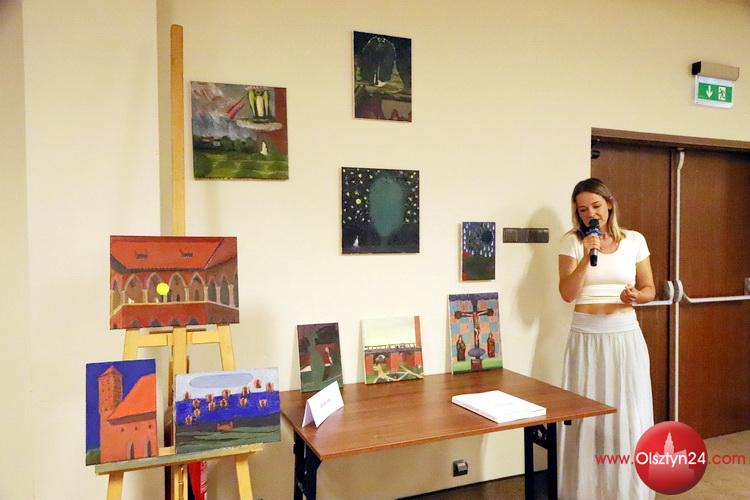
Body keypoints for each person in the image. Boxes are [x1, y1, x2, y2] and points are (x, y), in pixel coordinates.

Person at [557, 178, 656, 500]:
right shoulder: (572, 241)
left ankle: (627, 489)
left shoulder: (634, 240)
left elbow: (650, 289)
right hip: (586, 336)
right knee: (585, 412)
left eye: (596, 206)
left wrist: (636, 296)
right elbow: (567, 293)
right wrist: (587, 256)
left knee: (628, 410)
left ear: (610, 204)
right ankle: (585, 490)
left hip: (625, 336)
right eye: (583, 210)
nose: (590, 214)